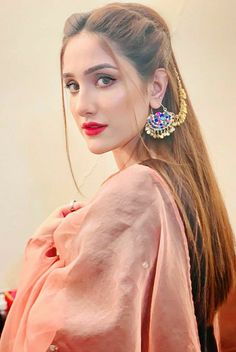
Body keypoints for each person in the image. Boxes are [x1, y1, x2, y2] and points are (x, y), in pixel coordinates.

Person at [0, 2, 235, 351]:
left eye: (104, 79)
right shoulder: (183, 183)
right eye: (72, 85)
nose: (82, 105)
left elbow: (59, 337)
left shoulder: (138, 191)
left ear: (156, 87)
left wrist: (42, 245)